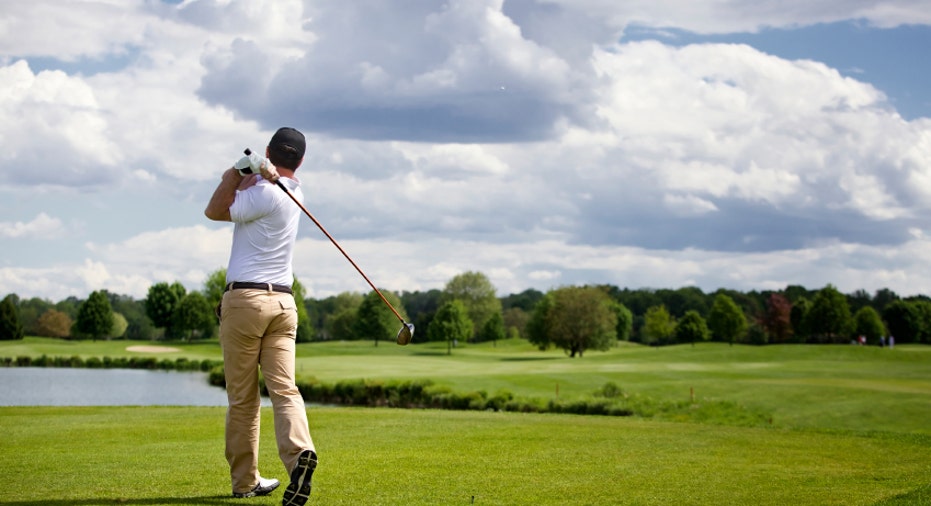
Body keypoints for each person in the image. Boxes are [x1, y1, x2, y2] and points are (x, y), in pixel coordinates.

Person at [205, 127, 317, 505]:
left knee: (243, 399)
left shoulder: (263, 193)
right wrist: (255, 171)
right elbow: (255, 184)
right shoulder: (296, 193)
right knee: (285, 390)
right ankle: (300, 453)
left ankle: (245, 481)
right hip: (284, 306)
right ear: (300, 161)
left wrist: (240, 169)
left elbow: (215, 209)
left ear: (269, 151)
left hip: (245, 302)